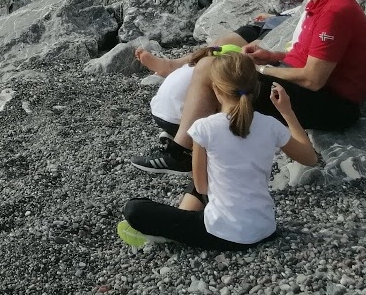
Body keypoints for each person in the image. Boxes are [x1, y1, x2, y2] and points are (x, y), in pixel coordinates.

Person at [130, 0, 366, 176]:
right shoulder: (322, 2)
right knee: (221, 65)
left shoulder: (334, 11)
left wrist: (260, 69)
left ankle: (182, 153)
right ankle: (194, 140)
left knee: (214, 70)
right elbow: (312, 58)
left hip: (333, 107)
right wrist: (270, 55)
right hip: (317, 92)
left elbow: (314, 78)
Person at [119, 52, 319, 250]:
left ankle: (171, 231)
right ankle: (177, 224)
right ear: (255, 87)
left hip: (221, 234)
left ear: (215, 88)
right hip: (265, 230)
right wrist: (287, 112)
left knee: (134, 209)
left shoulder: (204, 128)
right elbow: (310, 159)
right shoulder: (270, 125)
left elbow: (202, 187)